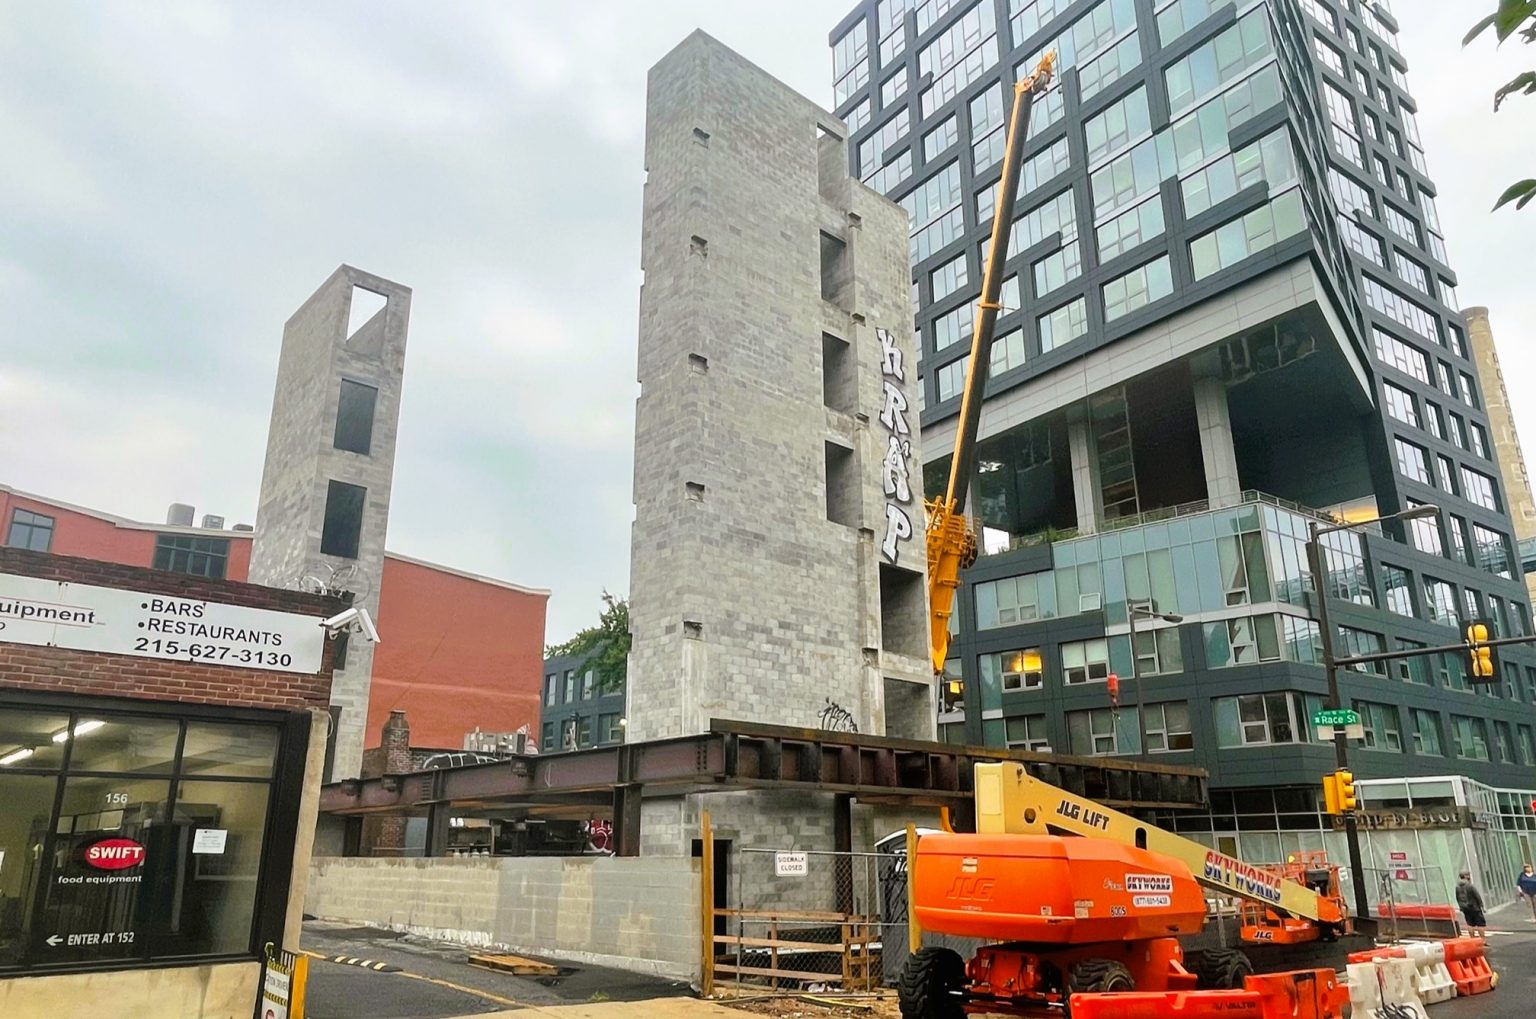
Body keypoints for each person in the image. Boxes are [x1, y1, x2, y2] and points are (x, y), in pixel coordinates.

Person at [1456, 870, 1488, 938]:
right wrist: (1482, 906)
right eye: (1468, 875)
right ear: (1465, 876)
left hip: (1465, 908)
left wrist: (1461, 907)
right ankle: (1482, 941)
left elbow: (1457, 898)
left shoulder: (1457, 887)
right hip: (1475, 908)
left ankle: (1472, 939)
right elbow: (1477, 896)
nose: (1469, 876)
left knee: (1470, 924)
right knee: (1480, 925)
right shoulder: (1470, 886)